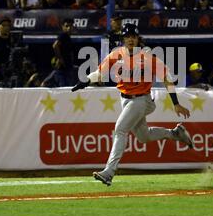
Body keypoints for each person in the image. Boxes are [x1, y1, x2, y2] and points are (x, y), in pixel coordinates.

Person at [71, 23, 193, 186]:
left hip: (142, 100)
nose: (130, 39)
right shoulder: (116, 55)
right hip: (126, 100)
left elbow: (166, 78)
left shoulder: (148, 57)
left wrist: (176, 103)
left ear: (138, 39)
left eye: (133, 36)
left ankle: (109, 172)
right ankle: (175, 134)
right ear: (122, 39)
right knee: (144, 137)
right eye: (127, 36)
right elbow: (100, 74)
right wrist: (84, 81)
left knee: (120, 129)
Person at [41, 19, 77, 87]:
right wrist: (60, 58)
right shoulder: (63, 35)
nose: (68, 28)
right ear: (62, 27)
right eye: (66, 26)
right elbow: (55, 45)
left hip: (68, 67)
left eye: (70, 26)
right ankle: (45, 82)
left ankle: (46, 82)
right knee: (63, 87)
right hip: (63, 68)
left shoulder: (68, 37)